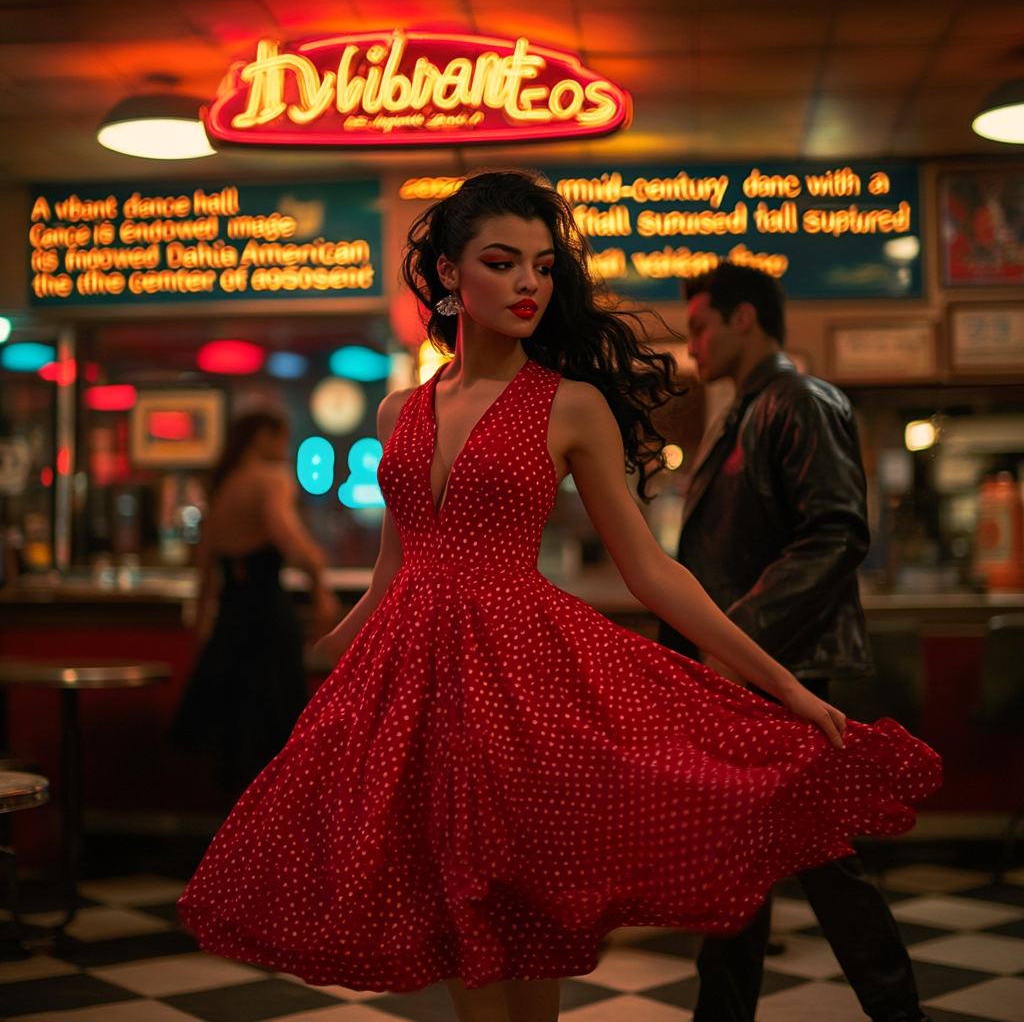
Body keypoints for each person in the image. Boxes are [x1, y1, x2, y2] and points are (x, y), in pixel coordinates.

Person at [177, 171, 940, 1022]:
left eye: (541, 265)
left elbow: (653, 570)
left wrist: (784, 686)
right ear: (450, 275)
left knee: (518, 925)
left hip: (515, 687)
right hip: (419, 692)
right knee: (462, 925)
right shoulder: (399, 412)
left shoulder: (571, 405)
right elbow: (398, 575)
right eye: (503, 262)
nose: (529, 282)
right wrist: (329, 671)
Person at [658, 262, 932, 1022]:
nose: (695, 346)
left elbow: (837, 532)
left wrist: (735, 638)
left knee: (817, 862)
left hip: (785, 671)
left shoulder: (798, 400)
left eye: (702, 328)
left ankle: (899, 1012)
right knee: (747, 863)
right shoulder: (748, 409)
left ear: (746, 318)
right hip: (756, 674)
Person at [172, 409, 338, 796]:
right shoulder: (270, 481)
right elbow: (290, 541)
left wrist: (200, 626)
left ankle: (232, 845)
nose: (285, 447)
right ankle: (270, 847)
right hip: (267, 622)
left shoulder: (225, 484)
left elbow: (204, 568)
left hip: (229, 624)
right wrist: (318, 580)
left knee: (235, 745)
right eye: (282, 437)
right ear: (264, 436)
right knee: (274, 743)